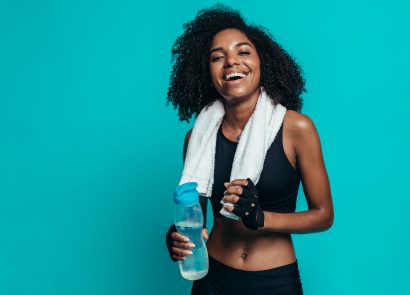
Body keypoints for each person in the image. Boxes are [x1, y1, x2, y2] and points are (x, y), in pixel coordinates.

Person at [165, 4, 334, 295]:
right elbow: (196, 220)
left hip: (274, 281)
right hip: (211, 278)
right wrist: (178, 237)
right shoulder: (197, 138)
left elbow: (323, 215)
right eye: (218, 57)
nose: (231, 62)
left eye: (243, 52)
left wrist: (261, 217)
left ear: (262, 62)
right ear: (207, 71)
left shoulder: (296, 128)